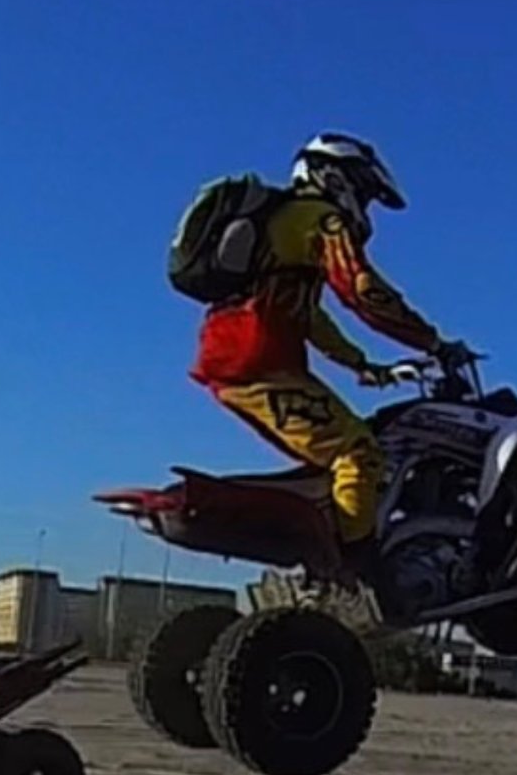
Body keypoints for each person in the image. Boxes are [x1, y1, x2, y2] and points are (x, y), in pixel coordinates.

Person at [187, 131, 471, 576]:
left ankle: (333, 541)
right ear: (336, 178)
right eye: (365, 193)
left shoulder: (287, 230)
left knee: (335, 461)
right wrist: (433, 342)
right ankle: (358, 572)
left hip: (243, 361)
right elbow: (363, 291)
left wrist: (362, 364)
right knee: (359, 452)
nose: (365, 206)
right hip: (255, 364)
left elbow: (309, 318)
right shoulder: (319, 218)